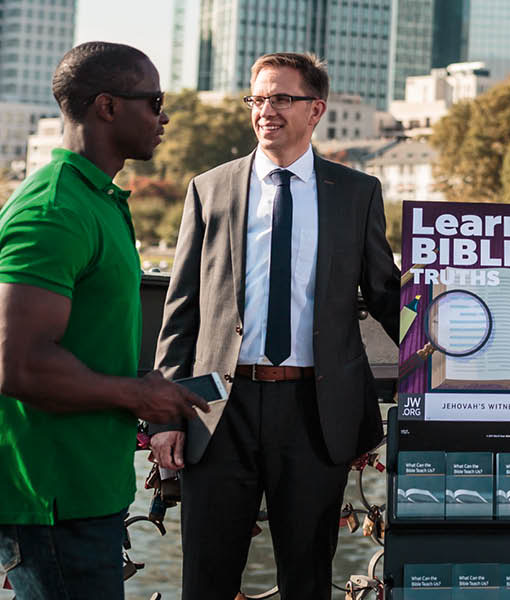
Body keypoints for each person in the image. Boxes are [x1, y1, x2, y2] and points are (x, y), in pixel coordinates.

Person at [149, 52, 404, 599]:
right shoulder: (209, 188)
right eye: (257, 99)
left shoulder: (356, 193)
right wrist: (165, 414)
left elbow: (387, 294)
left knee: (307, 580)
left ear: (316, 110)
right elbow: (181, 311)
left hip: (315, 415)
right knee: (206, 579)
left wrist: (457, 351)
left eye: (281, 98)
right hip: (218, 411)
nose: (266, 110)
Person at [0, 42, 208, 599]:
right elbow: (19, 365)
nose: (164, 116)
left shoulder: (98, 200)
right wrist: (141, 397)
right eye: (155, 101)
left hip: (88, 490)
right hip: (54, 500)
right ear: (108, 107)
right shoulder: (54, 210)